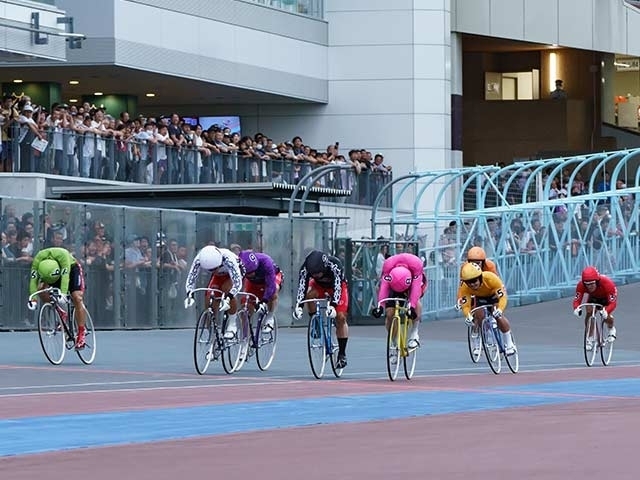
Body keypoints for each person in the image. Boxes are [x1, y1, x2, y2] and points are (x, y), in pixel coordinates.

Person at [293, 250, 349, 368]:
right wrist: (299, 306)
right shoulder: (305, 268)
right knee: (309, 294)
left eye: (318, 273)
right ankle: (316, 323)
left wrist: (333, 306)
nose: (316, 275)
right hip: (318, 286)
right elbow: (302, 286)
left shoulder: (335, 265)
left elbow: (338, 287)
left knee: (340, 317)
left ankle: (342, 354)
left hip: (337, 287)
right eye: (313, 273)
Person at [27, 247, 87, 348]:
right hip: (51, 274)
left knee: (77, 297)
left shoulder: (63, 256)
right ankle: (60, 312)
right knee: (41, 288)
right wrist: (33, 299)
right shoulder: (37, 261)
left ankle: (81, 332)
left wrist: (63, 294)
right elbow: (33, 281)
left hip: (71, 269)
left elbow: (65, 277)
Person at [184, 245, 244, 339]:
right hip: (218, 277)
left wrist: (228, 297)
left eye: (214, 268)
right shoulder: (199, 259)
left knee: (226, 289)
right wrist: (189, 294)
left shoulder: (228, 258)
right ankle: (213, 335)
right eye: (210, 270)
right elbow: (192, 277)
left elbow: (237, 283)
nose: (213, 271)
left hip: (233, 273)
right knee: (209, 299)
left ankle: (232, 324)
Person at [458, 262, 516, 356]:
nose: (472, 284)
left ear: (480, 277)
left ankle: (509, 343)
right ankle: (487, 336)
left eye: (474, 281)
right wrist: (468, 316)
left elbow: (503, 297)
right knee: (479, 316)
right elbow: (466, 305)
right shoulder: (464, 287)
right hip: (480, 298)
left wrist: (500, 310)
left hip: (494, 295)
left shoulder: (491, 278)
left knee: (498, 316)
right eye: (469, 282)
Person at [371, 252, 426, 349]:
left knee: (416, 303)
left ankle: (414, 334)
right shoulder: (388, 265)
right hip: (395, 282)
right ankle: (394, 341)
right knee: (389, 313)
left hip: (413, 280)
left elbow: (416, 289)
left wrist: (411, 307)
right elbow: (384, 287)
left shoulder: (416, 264)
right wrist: (380, 306)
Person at [572, 266, 617, 351]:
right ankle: (590, 338)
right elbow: (577, 300)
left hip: (606, 298)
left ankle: (611, 328)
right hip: (593, 297)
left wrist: (606, 311)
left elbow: (613, 303)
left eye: (592, 283)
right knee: (589, 311)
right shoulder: (581, 285)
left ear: (597, 281)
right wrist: (576, 308)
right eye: (587, 284)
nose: (589, 286)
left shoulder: (607, 283)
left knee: (605, 315)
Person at [238, 250, 283, 332]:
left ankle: (270, 318)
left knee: (273, 292)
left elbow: (271, 285)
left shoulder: (266, 262)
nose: (251, 275)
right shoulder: (239, 264)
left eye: (253, 272)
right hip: (253, 282)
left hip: (271, 277)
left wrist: (264, 301)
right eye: (248, 273)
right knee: (245, 301)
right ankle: (246, 332)